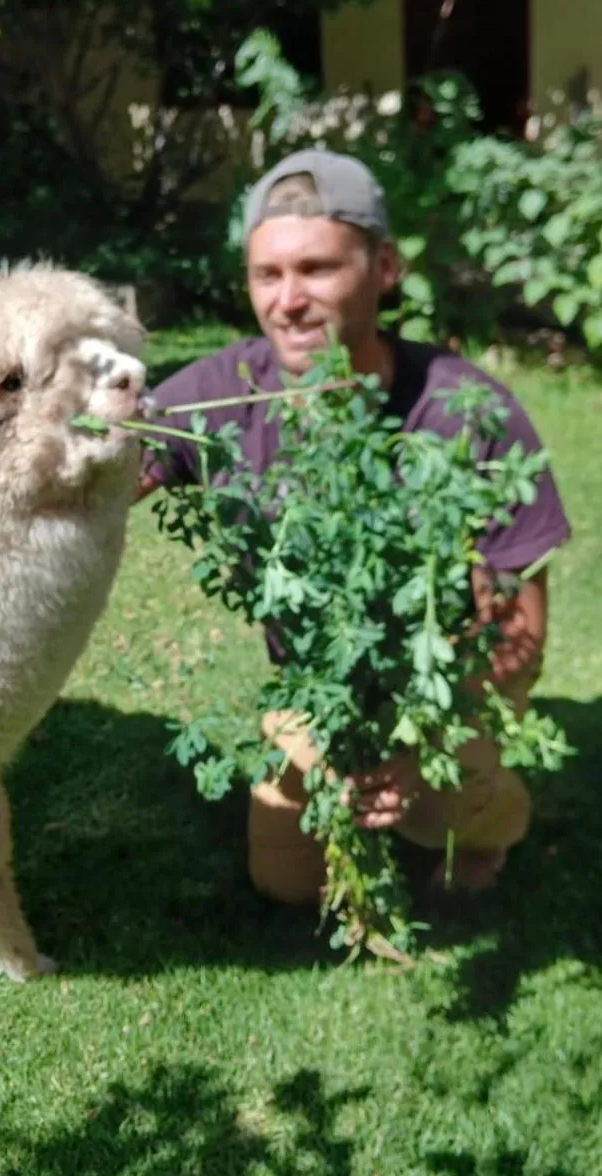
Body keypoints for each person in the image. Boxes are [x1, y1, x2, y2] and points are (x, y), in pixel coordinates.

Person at [137, 149, 571, 903]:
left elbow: (519, 638)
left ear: (385, 268)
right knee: (284, 883)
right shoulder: (223, 394)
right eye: (267, 275)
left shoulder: (467, 412)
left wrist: (418, 746)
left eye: (317, 270)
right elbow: (107, 465)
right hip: (323, 689)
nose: (288, 301)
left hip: (447, 690)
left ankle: (485, 823)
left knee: (449, 808)